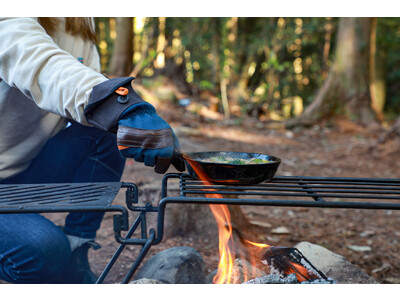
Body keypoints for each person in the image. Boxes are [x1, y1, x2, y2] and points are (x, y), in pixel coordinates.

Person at [0, 17, 185, 284]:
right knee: (44, 252)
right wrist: (118, 104)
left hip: (20, 174)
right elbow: (39, 63)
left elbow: (82, 96)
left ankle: (77, 253)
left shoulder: (78, 21)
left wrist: (125, 120)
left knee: (103, 129)